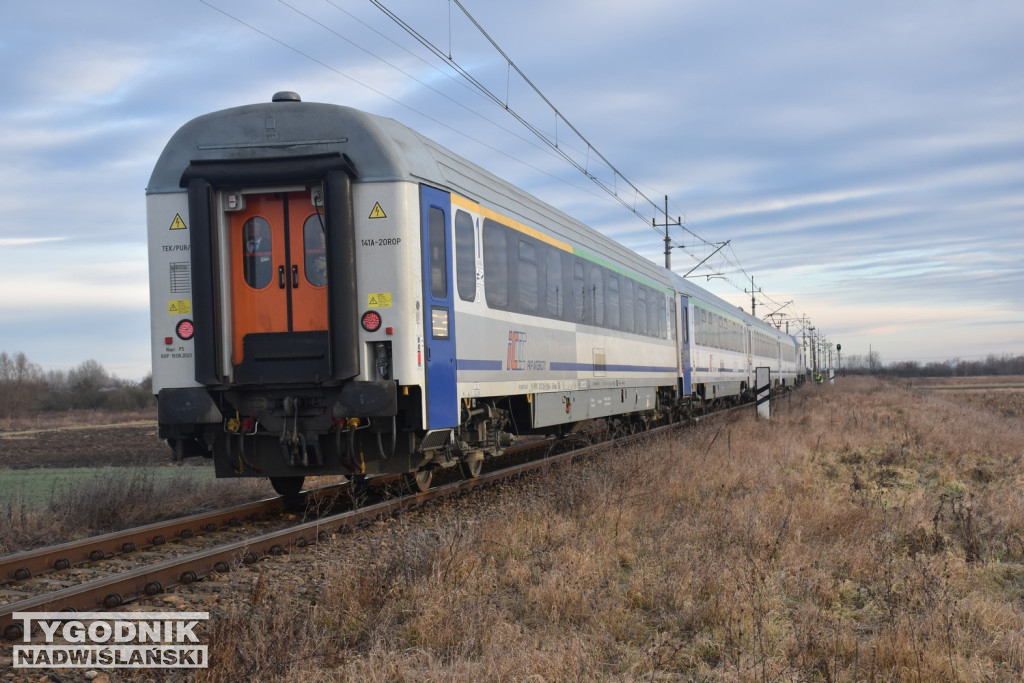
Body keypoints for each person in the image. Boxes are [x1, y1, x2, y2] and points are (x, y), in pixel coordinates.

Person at [243, 218, 273, 288]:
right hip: (248, 282)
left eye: (255, 226)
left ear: (261, 228)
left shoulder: (269, 244)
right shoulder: (244, 245)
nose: (252, 228)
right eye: (250, 226)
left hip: (266, 283)